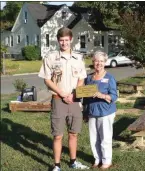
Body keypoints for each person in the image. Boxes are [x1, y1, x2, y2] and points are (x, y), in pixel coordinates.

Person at [38, 27, 89, 171]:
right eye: (61, 40)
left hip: (74, 100)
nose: (64, 43)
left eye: (66, 40)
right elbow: (47, 80)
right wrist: (61, 93)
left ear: (71, 40)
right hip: (58, 100)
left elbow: (81, 79)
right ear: (58, 41)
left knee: (73, 133)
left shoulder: (78, 58)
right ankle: (57, 166)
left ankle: (73, 162)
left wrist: (74, 95)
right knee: (58, 135)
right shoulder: (51, 57)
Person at [83, 51, 118, 169]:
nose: (99, 63)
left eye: (101, 61)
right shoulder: (88, 78)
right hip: (92, 112)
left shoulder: (110, 78)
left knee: (105, 138)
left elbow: (114, 96)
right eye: (96, 61)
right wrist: (85, 112)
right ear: (93, 62)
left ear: (105, 62)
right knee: (93, 138)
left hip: (105, 112)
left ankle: (106, 161)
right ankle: (97, 159)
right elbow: (85, 97)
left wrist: (102, 95)